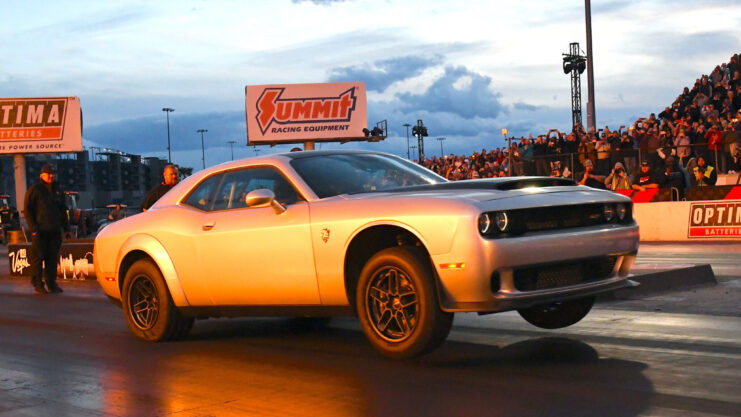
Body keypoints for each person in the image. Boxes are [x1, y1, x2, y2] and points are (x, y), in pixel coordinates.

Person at [24, 164, 70, 295]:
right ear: (41, 175)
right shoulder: (35, 190)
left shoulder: (57, 190)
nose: (51, 176)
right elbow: (27, 209)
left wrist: (66, 228)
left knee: (52, 259)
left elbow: (63, 210)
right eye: (48, 173)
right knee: (38, 259)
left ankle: (51, 284)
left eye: (52, 173)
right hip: (40, 231)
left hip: (54, 231)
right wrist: (33, 228)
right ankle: (38, 285)